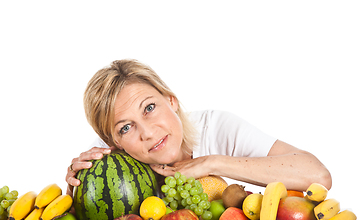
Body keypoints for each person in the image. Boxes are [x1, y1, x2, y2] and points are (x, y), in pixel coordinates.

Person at [66, 59, 332, 197]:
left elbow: (318, 175)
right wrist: (75, 193)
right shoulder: (107, 161)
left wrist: (212, 163)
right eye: (125, 128)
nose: (146, 132)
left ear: (171, 100)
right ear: (113, 141)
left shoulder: (216, 127)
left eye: (149, 108)